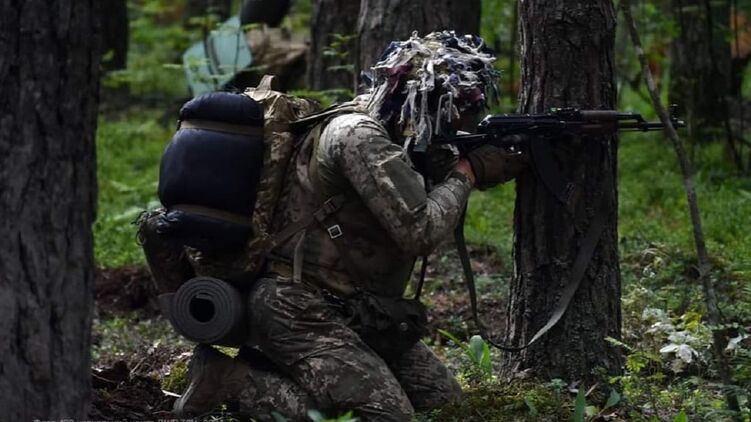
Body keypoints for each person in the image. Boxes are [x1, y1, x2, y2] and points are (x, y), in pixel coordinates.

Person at [145, 31, 527, 420]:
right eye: (457, 109)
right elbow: (421, 231)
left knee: (448, 409)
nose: (460, 121)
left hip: (361, 311)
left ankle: (309, 375)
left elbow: (426, 173)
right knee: (384, 417)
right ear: (424, 99)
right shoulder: (359, 136)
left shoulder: (400, 132)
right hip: (298, 308)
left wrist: (498, 155)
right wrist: (467, 172)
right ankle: (232, 379)